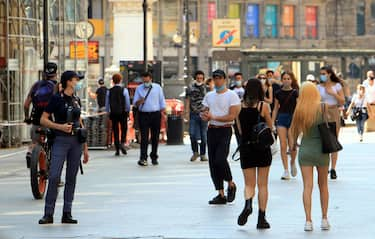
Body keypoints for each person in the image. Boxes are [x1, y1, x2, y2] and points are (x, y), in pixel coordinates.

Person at [38, 71, 89, 224]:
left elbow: (80, 122)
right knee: (54, 176)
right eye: (76, 79)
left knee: (71, 178)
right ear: (68, 81)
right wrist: (59, 127)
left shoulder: (76, 99)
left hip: (76, 142)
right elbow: (43, 119)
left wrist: (85, 148)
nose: (78, 82)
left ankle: (67, 212)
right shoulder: (56, 99)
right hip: (60, 140)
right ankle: (48, 213)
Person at [290, 82, 331, 232]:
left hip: (305, 149)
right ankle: (325, 218)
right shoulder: (323, 106)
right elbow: (327, 127)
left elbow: (293, 131)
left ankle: (308, 220)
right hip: (322, 149)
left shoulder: (299, 109)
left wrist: (293, 146)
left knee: (307, 186)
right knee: (323, 185)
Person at [236, 79, 273, 229]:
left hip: (246, 149)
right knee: (262, 185)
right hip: (262, 149)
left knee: (249, 183)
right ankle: (261, 219)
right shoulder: (263, 106)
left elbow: (239, 130)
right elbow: (270, 127)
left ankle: (248, 204)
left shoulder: (238, 106)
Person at [201, 69, 241, 205]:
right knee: (212, 162)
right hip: (211, 130)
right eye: (215, 78)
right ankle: (220, 193)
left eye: (219, 78)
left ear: (224, 79)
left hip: (225, 130)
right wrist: (204, 115)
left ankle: (231, 183)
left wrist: (215, 117)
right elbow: (204, 111)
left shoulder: (232, 95)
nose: (217, 80)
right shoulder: (209, 96)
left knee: (220, 158)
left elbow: (232, 116)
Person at [24, 62, 58, 168]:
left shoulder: (36, 85)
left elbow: (26, 105)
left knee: (35, 141)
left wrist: (27, 118)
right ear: (56, 73)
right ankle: (51, 167)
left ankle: (30, 152)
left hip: (36, 117)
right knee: (55, 143)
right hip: (50, 118)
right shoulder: (56, 86)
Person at [317, 66, 345, 179]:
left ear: (329, 74)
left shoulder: (337, 86)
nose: (322, 75)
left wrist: (332, 93)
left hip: (334, 112)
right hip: (322, 112)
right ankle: (324, 165)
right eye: (321, 73)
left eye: (324, 73)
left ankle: (333, 168)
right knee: (323, 139)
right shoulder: (318, 87)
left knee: (333, 140)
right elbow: (315, 101)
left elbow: (342, 100)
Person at [133, 72, 166, 166]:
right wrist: (140, 101)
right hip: (144, 115)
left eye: (147, 80)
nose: (145, 83)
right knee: (144, 137)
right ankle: (143, 158)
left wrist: (163, 112)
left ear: (151, 79)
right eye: (144, 81)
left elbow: (161, 101)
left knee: (155, 137)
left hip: (155, 114)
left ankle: (154, 156)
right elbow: (135, 103)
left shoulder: (157, 88)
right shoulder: (139, 88)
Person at [272, 71, 299, 180]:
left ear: (291, 80)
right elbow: (275, 108)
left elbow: (298, 108)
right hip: (281, 118)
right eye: (284, 78)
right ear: (281, 80)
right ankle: (286, 170)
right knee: (283, 145)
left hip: (293, 118)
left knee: (292, 145)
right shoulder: (278, 93)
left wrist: (298, 121)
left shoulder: (295, 92)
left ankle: (292, 162)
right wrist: (273, 122)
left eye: (288, 78)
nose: (286, 80)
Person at [185, 70, 208, 162]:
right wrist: (186, 112)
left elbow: (210, 100)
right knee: (192, 134)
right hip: (193, 113)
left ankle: (203, 154)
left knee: (204, 135)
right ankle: (195, 152)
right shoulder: (190, 88)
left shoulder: (207, 88)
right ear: (195, 78)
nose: (199, 80)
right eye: (198, 78)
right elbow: (187, 100)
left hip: (204, 113)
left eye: (201, 78)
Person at [105, 73, 130, 156]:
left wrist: (108, 112)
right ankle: (122, 143)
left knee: (115, 130)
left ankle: (117, 148)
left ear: (113, 81)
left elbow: (107, 103)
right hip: (123, 112)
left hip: (113, 113)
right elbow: (127, 103)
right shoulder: (124, 90)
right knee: (124, 128)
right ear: (120, 80)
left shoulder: (109, 91)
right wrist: (127, 111)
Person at [231, 72, 245, 146]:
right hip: (235, 113)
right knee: (237, 130)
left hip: (244, 112)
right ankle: (239, 145)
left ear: (242, 79)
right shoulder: (231, 90)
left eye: (239, 78)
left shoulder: (246, 89)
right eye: (236, 79)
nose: (238, 80)